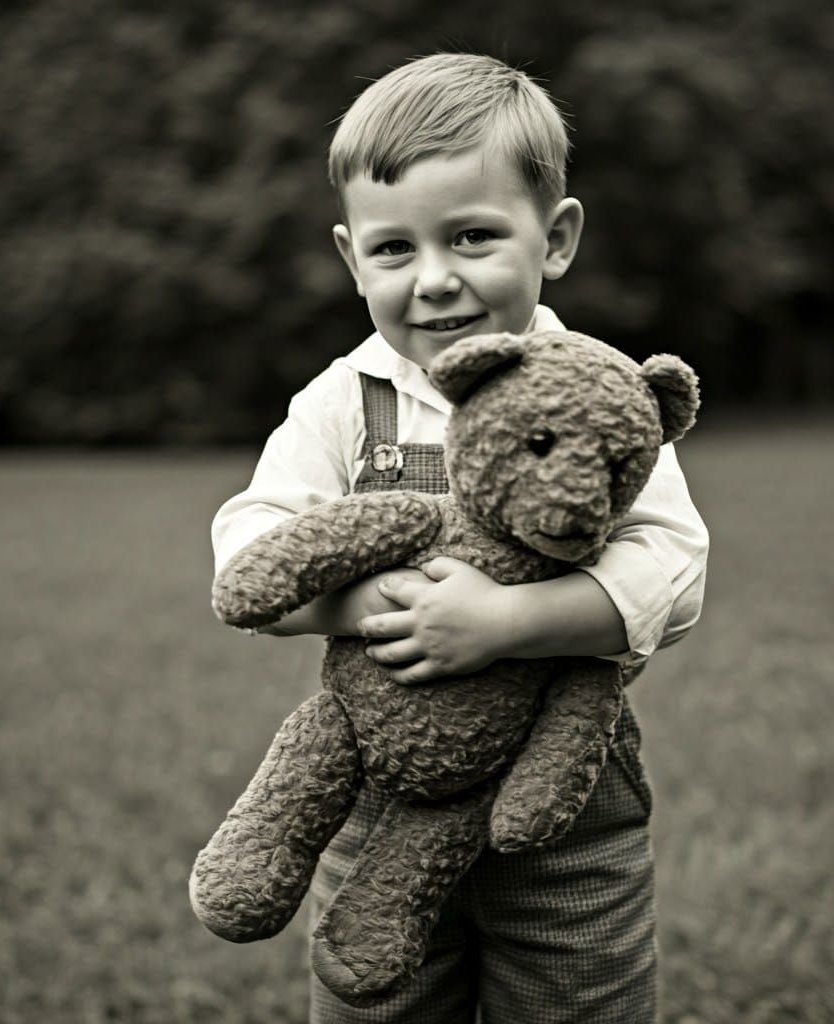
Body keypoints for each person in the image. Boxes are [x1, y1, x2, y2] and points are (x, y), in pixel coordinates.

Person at [212, 53, 708, 1024]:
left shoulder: (599, 396)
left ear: (553, 238)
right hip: (377, 783)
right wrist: (363, 604)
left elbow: (671, 568)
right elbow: (251, 545)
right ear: (354, 259)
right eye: (395, 251)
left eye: (473, 236)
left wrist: (502, 622)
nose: (435, 281)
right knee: (373, 997)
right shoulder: (342, 402)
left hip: (562, 813)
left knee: (577, 1001)